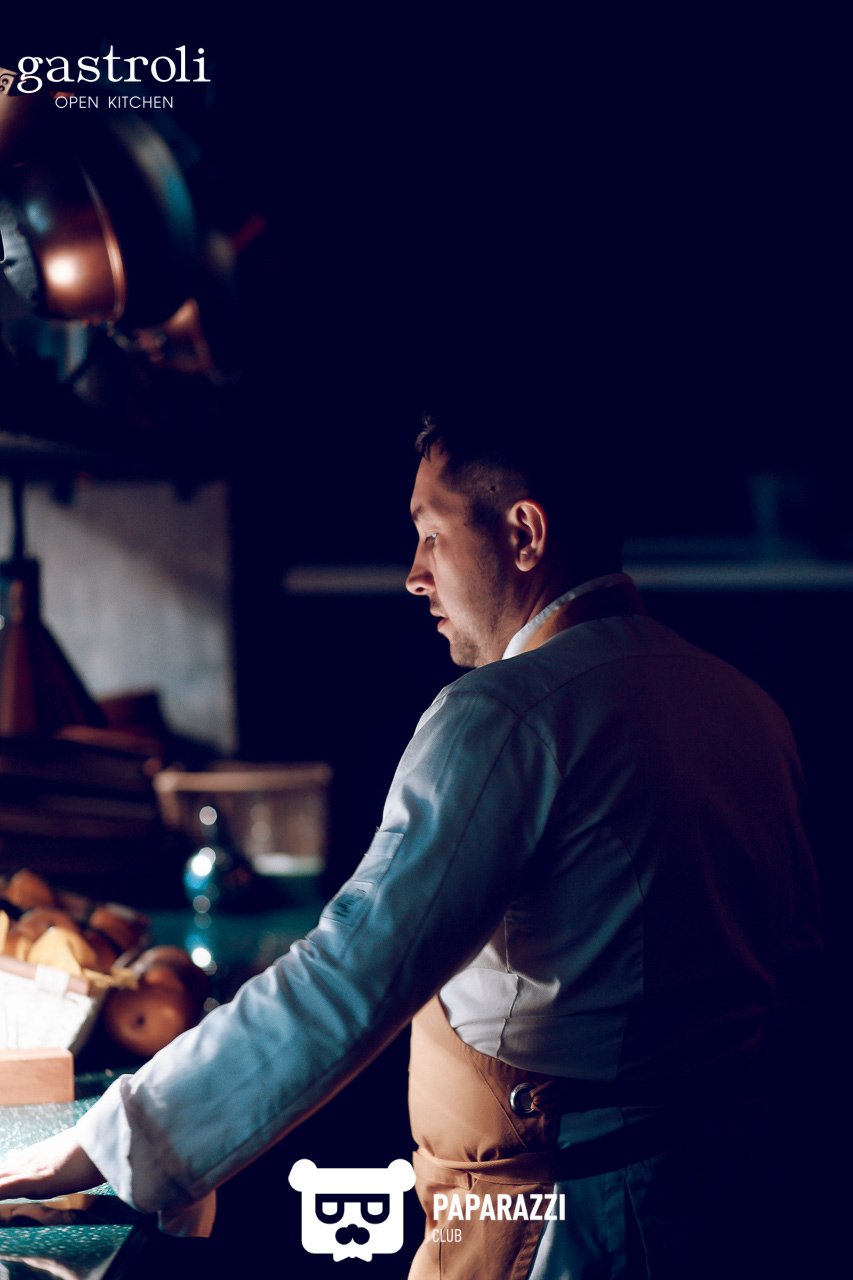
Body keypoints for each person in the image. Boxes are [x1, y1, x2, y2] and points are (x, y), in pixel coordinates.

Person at [0, 412, 823, 1277]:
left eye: (432, 534)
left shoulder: (504, 715)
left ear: (524, 534)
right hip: (721, 1206)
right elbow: (799, 973)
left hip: (555, 1229)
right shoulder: (742, 704)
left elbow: (350, 974)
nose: (414, 574)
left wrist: (114, 1141)